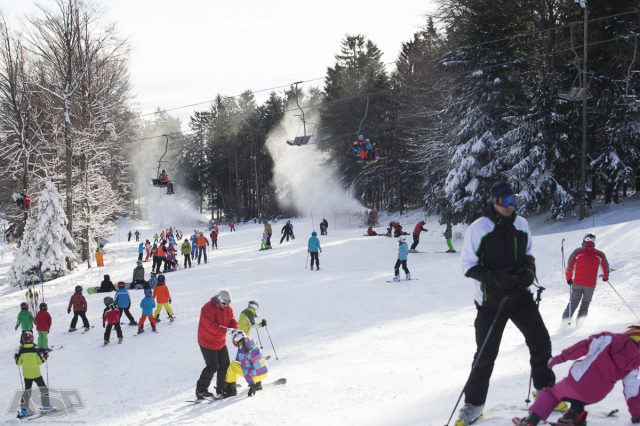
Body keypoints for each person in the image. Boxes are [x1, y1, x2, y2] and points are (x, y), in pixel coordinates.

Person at [455, 181, 556, 425]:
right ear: (494, 202)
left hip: (520, 297)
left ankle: (545, 392)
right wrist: (495, 279)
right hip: (491, 302)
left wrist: (529, 272)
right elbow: (467, 265)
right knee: (486, 355)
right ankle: (473, 405)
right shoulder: (479, 228)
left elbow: (529, 254)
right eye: (505, 202)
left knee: (540, 341)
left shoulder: (521, 224)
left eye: (513, 201)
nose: (510, 206)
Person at [517, 325, 640, 426]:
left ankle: (531, 420)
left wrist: (560, 358)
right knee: (580, 395)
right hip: (597, 394)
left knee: (552, 394)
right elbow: (632, 391)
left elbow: (583, 346)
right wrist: (637, 415)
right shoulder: (634, 365)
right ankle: (575, 414)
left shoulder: (608, 339)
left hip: (578, 381)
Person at [195, 289, 238, 399]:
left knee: (225, 365)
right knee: (212, 366)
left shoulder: (228, 308)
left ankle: (222, 388)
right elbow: (210, 326)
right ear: (219, 299)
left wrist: (235, 330)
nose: (226, 305)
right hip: (207, 341)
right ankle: (201, 390)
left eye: (228, 303)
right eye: (224, 303)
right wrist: (226, 330)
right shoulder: (207, 308)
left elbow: (233, 320)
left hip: (220, 341)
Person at [562, 233, 610, 323]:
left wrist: (568, 278)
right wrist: (605, 277)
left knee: (573, 302)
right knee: (585, 304)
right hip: (590, 285)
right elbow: (605, 268)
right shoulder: (600, 254)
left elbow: (570, 267)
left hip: (578, 283)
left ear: (584, 240)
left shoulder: (578, 252)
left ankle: (564, 323)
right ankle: (579, 325)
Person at [14, 331, 53, 417]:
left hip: (27, 375)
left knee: (27, 391)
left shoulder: (21, 351)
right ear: (32, 340)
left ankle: (24, 410)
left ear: (23, 340)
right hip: (36, 374)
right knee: (43, 389)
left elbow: (18, 363)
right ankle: (46, 406)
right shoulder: (35, 350)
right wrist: (45, 357)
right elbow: (40, 362)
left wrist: (16, 358)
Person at [221, 330, 269, 398]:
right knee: (255, 363)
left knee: (233, 365)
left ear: (236, 341)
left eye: (234, 342)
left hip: (255, 377)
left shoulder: (242, 351)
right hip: (264, 372)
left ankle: (230, 391)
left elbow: (246, 369)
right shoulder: (253, 343)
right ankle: (258, 385)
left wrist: (251, 384)